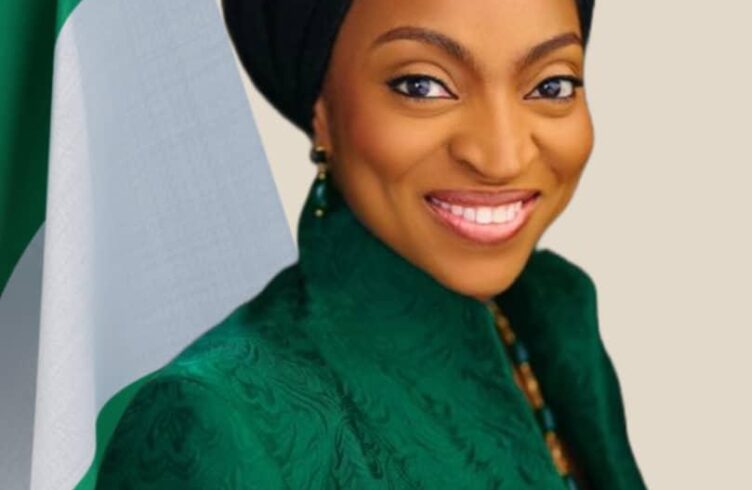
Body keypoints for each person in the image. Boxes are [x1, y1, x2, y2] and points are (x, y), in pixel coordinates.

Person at [96, 0, 647, 488]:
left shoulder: (553, 319)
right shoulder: (216, 419)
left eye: (551, 86)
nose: (502, 157)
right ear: (321, 111)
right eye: (422, 85)